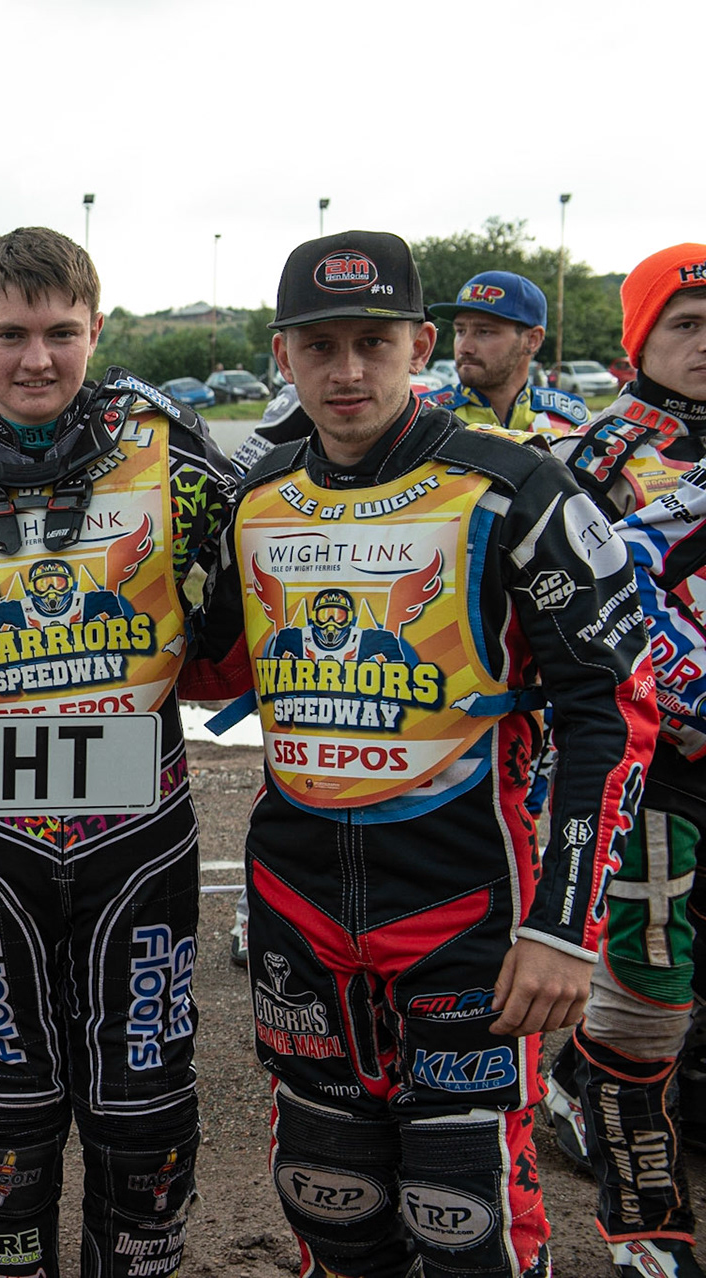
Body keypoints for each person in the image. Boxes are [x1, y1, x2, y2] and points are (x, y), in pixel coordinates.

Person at [193, 229, 658, 1278]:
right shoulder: (255, 497)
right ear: (283, 355)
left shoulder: (516, 488)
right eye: (321, 347)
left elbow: (611, 708)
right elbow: (199, 663)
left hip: (467, 909)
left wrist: (564, 929)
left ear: (419, 343)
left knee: (464, 1209)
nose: (347, 372)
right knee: (328, 1193)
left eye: (373, 342)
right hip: (298, 902)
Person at [0, 226, 238, 1277]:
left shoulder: (171, 446)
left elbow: (245, 598)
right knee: (5, 1108)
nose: (37, 359)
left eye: (61, 333)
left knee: (144, 1103)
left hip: (140, 830)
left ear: (97, 331)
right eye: (11, 335)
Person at [543, 242, 706, 1278]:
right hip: (653, 762)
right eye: (687, 325)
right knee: (649, 984)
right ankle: (645, 1217)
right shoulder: (597, 459)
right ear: (641, 338)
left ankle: (577, 1076)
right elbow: (570, 620)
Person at [420, 270, 589, 436]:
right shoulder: (425, 419)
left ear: (532, 340)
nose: (465, 347)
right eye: (460, 331)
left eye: (484, 332)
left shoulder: (570, 424)